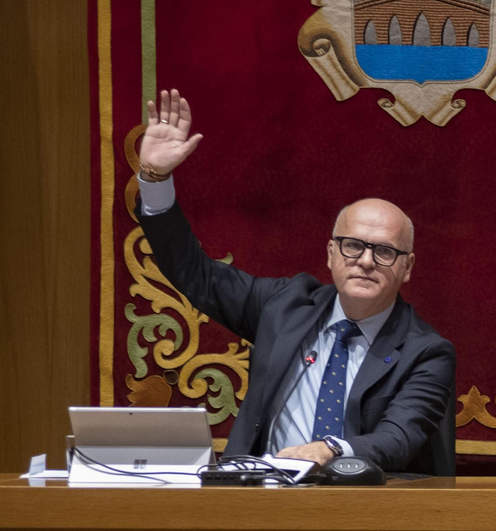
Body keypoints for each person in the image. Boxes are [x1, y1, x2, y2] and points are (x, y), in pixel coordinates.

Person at [133, 90, 456, 473]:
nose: (366, 261)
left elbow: (398, 438)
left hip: (362, 509)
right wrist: (156, 178)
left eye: (385, 252)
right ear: (331, 253)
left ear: (407, 267)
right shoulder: (285, 306)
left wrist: (330, 450)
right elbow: (196, 273)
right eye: (353, 246)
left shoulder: (427, 353)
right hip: (264, 499)